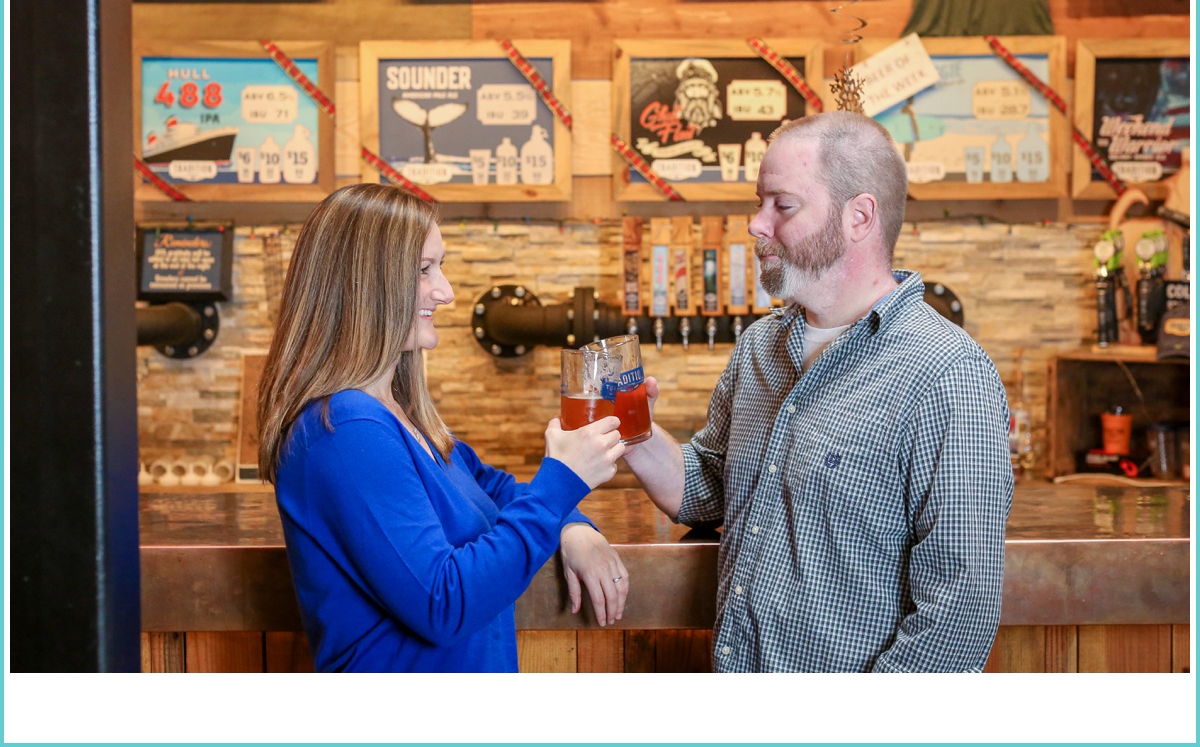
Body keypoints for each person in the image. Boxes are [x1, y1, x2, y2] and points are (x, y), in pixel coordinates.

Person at [624, 111, 1014, 672]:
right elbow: (712, 485)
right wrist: (635, 433)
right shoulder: (762, 345)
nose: (757, 224)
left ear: (859, 217)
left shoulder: (947, 373)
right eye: (759, 203)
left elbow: (958, 609)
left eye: (782, 205)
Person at [258, 183, 629, 672]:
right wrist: (562, 483)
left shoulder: (399, 415)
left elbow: (493, 488)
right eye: (423, 270)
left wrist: (573, 525)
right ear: (365, 283)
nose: (446, 291)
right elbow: (444, 603)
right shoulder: (344, 430)